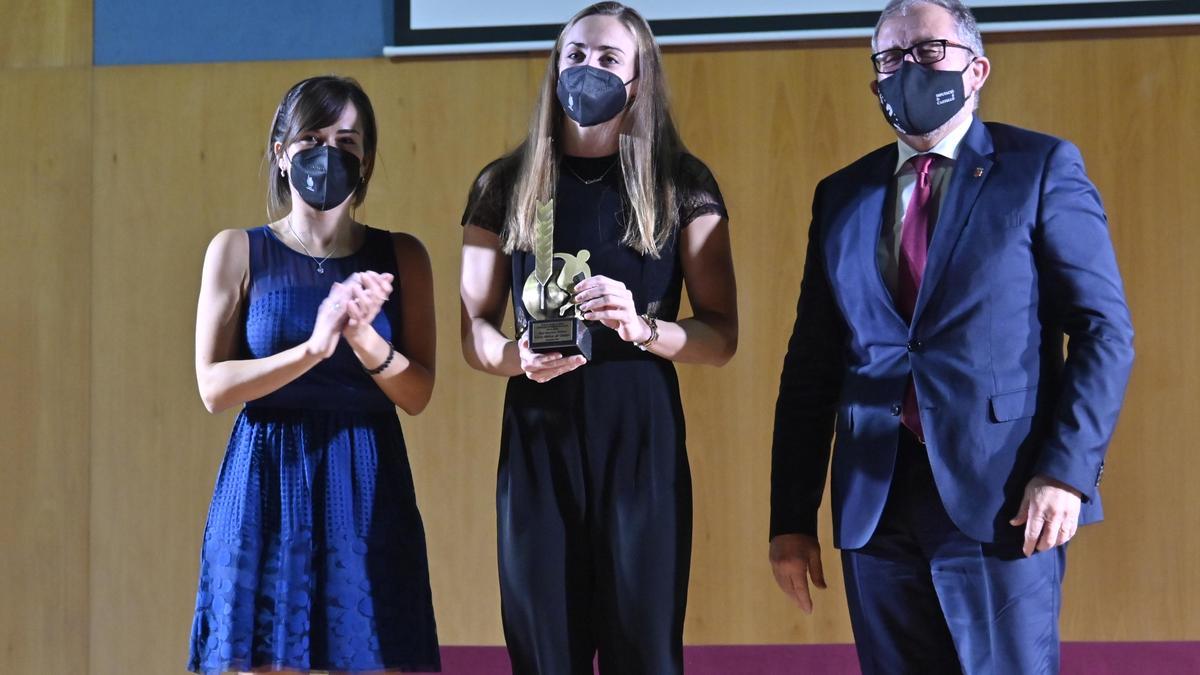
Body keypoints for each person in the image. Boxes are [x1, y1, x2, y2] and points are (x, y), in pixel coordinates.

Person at [768, 1, 1134, 672]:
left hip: (1003, 499)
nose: (910, 68)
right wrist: (790, 517)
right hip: (873, 506)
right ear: (874, 81)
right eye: (891, 58)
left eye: (929, 51)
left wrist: (1067, 473)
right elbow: (812, 366)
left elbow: (1104, 329)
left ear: (977, 68)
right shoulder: (840, 195)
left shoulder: (1040, 167)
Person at [459, 3, 738, 673]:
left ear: (638, 80)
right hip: (538, 433)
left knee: (643, 652)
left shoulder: (680, 183)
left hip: (638, 434)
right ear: (556, 66)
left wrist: (645, 328)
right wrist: (512, 356)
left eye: (609, 58)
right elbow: (474, 329)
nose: (588, 68)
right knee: (543, 653)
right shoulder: (505, 183)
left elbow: (722, 334)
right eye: (576, 54)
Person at [188, 75, 440, 674]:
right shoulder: (237, 249)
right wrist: (314, 347)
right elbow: (213, 387)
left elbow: (419, 392)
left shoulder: (401, 255)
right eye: (312, 137)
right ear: (281, 151)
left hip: (364, 476)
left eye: (347, 142)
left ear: (366, 160)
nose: (329, 153)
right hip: (266, 475)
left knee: (368, 657)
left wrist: (361, 336)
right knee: (262, 661)